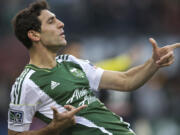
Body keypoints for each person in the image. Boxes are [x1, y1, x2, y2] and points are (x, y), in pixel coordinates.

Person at [8, 0, 180, 135]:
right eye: (51, 21)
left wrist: (154, 63)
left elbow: (126, 81)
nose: (61, 24)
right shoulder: (26, 84)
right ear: (34, 34)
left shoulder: (71, 62)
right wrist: (53, 128)